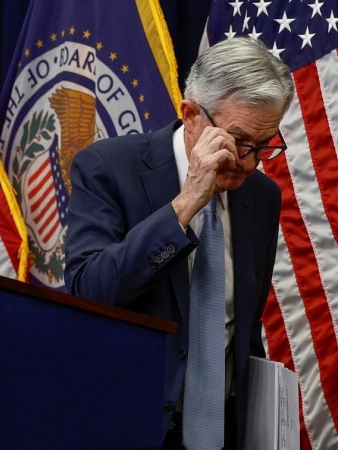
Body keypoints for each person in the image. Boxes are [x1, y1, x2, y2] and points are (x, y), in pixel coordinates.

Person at [65, 37, 294, 449]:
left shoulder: (261, 196)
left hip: (221, 432)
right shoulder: (107, 168)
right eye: (239, 141)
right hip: (124, 427)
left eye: (264, 147)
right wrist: (186, 204)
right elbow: (89, 290)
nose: (249, 163)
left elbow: (241, 325)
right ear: (191, 115)